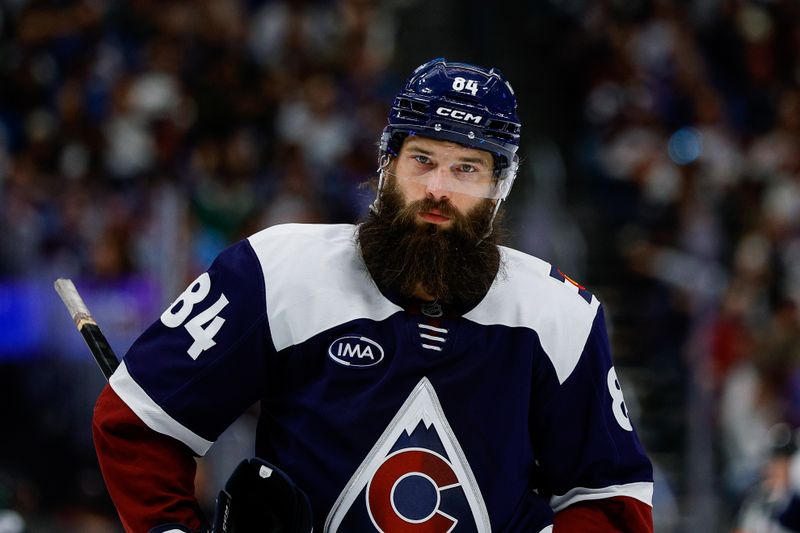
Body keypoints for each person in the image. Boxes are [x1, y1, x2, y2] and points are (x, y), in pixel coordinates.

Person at [92, 57, 654, 533]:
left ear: (499, 189)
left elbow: (610, 497)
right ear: (387, 163)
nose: (438, 188)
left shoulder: (562, 315)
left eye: (467, 169)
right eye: (423, 160)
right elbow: (139, 418)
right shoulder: (276, 271)